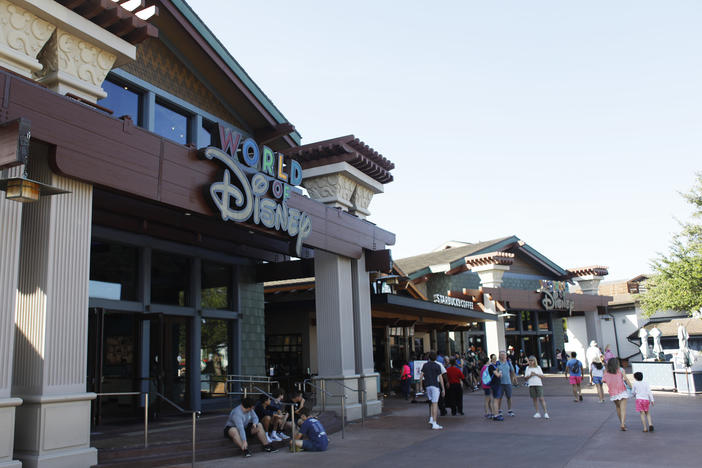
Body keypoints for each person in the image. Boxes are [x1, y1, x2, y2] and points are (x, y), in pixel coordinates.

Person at [602, 357, 631, 431]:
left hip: (613, 392)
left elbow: (603, 381)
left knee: (618, 408)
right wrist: (632, 387)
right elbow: (626, 379)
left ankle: (621, 423)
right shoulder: (621, 370)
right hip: (622, 391)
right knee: (623, 409)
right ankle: (623, 424)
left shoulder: (606, 371)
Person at [419, 351, 445, 430]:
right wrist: (443, 389)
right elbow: (440, 378)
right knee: (435, 403)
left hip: (427, 385)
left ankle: (431, 418)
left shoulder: (425, 365)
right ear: (436, 358)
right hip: (435, 385)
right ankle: (434, 422)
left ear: (429, 357)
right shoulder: (437, 365)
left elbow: (421, 376)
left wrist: (421, 386)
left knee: (431, 402)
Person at [495, 351, 517, 417]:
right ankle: (499, 410)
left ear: (506, 356)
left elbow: (512, 371)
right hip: (500, 383)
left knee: (509, 397)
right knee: (500, 397)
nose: (502, 356)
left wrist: (514, 379)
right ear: (499, 356)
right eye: (501, 355)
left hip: (508, 382)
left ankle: (510, 410)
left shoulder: (508, 363)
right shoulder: (497, 363)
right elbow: (494, 371)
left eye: (504, 355)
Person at [488, 354, 504, 421]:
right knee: (495, 399)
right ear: (491, 358)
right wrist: (500, 372)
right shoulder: (491, 366)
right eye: (494, 358)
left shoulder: (495, 366)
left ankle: (496, 413)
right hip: (495, 384)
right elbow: (497, 375)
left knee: (496, 399)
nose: (495, 359)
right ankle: (496, 415)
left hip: (496, 383)